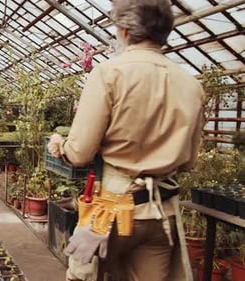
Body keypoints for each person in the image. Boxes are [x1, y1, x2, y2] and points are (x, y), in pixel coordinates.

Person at [47, 0, 205, 280]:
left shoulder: (110, 73)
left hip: (111, 213)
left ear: (122, 30)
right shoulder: (191, 85)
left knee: (86, 274)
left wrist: (61, 145)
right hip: (161, 215)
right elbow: (189, 162)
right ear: (166, 32)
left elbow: (81, 152)